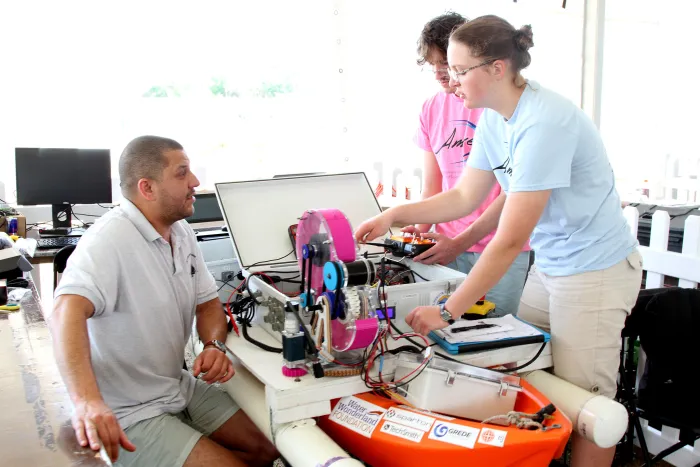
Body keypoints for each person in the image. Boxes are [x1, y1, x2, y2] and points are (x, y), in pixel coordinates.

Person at [355, 15, 642, 467]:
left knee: (589, 407)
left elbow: (509, 240)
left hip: (594, 271)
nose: (451, 81)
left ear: (496, 68)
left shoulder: (545, 123)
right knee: (522, 369)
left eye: (459, 69)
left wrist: (447, 311)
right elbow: (465, 196)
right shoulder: (494, 118)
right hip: (552, 264)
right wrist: (394, 214)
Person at [48, 135, 279, 467]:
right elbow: (63, 313)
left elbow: (208, 304)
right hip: (127, 409)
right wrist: (87, 402)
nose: (196, 182)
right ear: (147, 188)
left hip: (177, 386)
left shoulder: (180, 231)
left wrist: (213, 345)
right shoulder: (108, 240)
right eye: (182, 173)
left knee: (269, 448)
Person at [409, 12, 530, 316]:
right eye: (433, 66)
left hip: (499, 244)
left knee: (495, 334)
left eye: (447, 65)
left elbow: (514, 191)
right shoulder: (431, 109)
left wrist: (462, 242)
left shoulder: (497, 105)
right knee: (446, 334)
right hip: (446, 243)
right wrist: (413, 241)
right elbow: (433, 187)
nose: (439, 74)